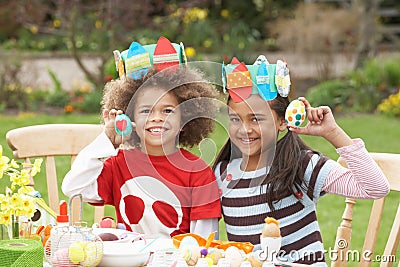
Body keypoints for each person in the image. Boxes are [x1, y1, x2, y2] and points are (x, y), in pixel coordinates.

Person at [213, 56, 390, 266]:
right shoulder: (223, 175)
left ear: (282, 121)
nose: (244, 129)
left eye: (256, 119)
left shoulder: (300, 165)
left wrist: (332, 133)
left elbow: (375, 188)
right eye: (235, 119)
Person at [62, 37, 221, 239]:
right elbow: (74, 187)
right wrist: (107, 139)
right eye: (146, 110)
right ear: (130, 118)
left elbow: (206, 240)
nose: (156, 118)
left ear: (186, 118)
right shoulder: (119, 165)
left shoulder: (198, 174)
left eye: (168, 110)